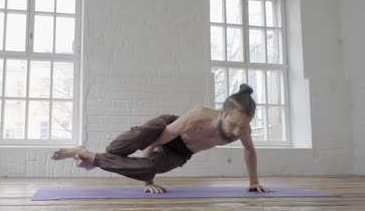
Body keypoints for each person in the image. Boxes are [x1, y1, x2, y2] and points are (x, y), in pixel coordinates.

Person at [52, 84, 273, 194]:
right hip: (168, 128)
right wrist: (148, 177)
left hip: (181, 153)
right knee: (122, 146)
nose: (237, 132)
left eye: (242, 126)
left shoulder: (242, 130)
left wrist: (253, 182)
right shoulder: (200, 115)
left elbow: (249, 151)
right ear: (222, 113)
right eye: (233, 124)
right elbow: (167, 134)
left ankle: (91, 158)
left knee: (150, 166)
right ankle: (94, 159)